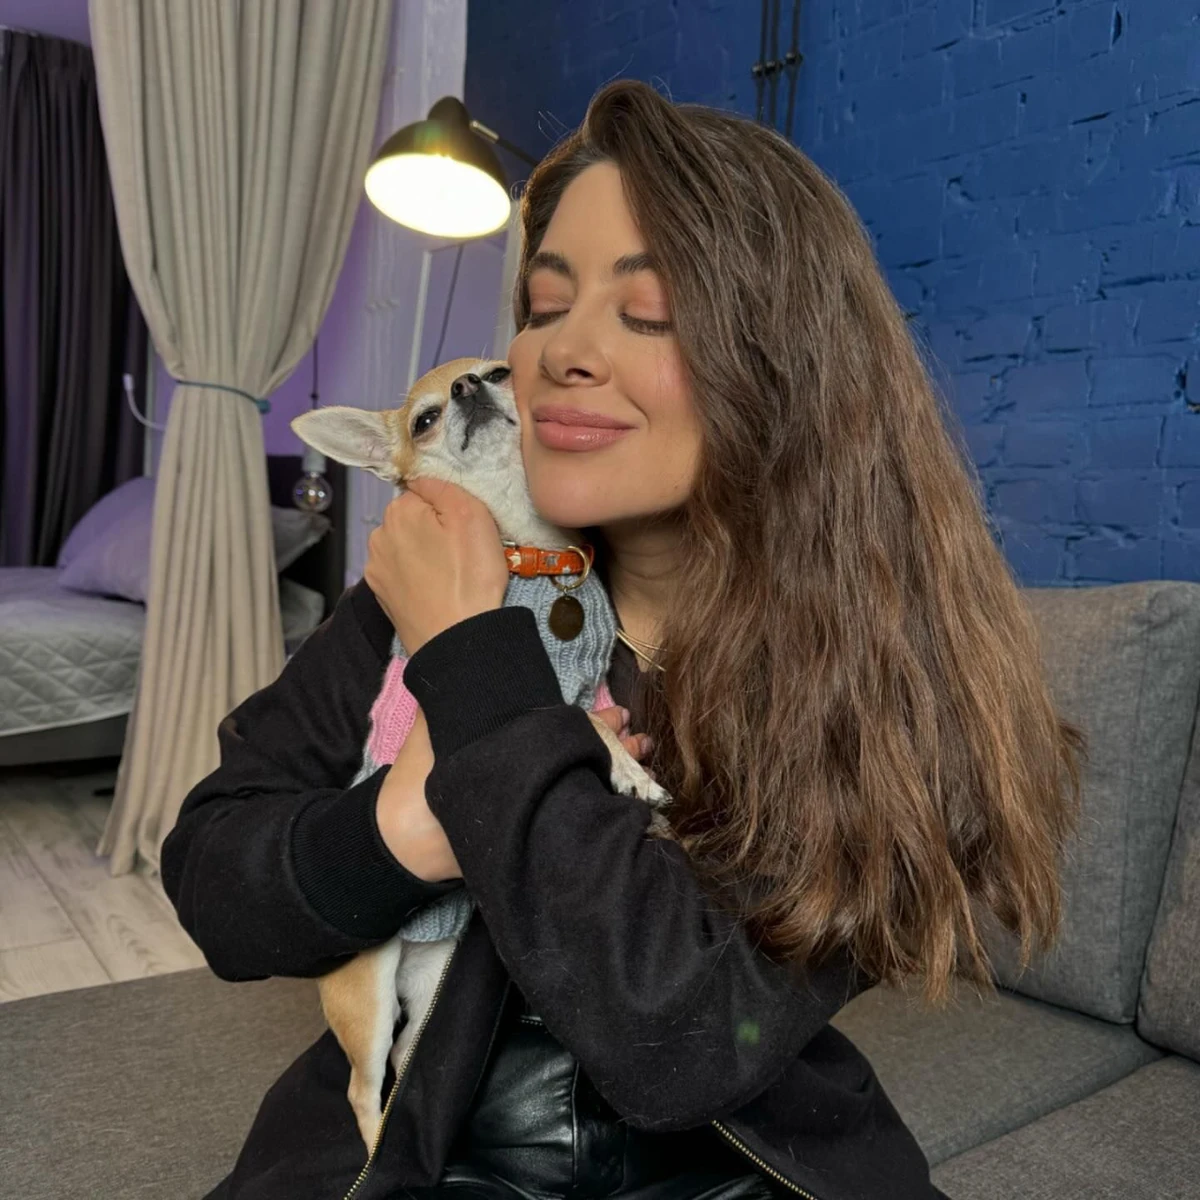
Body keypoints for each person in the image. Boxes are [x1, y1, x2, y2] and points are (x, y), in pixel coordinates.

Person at [161, 79, 1086, 1200]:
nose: (563, 351)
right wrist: (397, 832)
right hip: (414, 1151)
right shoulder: (428, 588)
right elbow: (214, 881)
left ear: (786, 367)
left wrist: (475, 667)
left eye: (646, 313)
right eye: (545, 306)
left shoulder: (877, 677)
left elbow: (672, 1039)